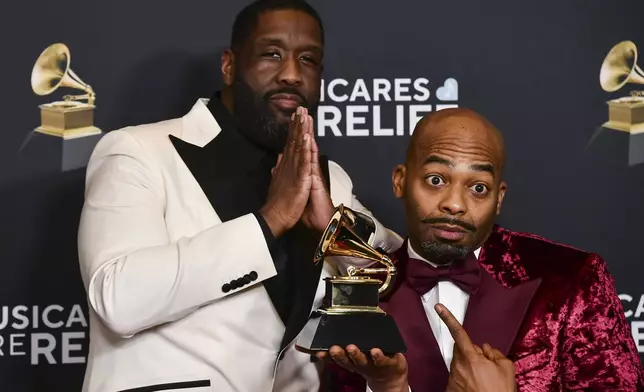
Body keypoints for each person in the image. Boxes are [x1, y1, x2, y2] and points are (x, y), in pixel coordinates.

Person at [76, 1, 402, 391]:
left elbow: (394, 276)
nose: (292, 74)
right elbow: (118, 297)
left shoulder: (328, 179)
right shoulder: (139, 151)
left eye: (309, 60)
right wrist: (270, 221)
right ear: (229, 65)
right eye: (272, 54)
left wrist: (332, 229)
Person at [319, 108, 644, 391]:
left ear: (499, 198)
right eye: (435, 180)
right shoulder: (360, 296)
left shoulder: (574, 279)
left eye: (478, 188)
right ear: (400, 181)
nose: (455, 204)